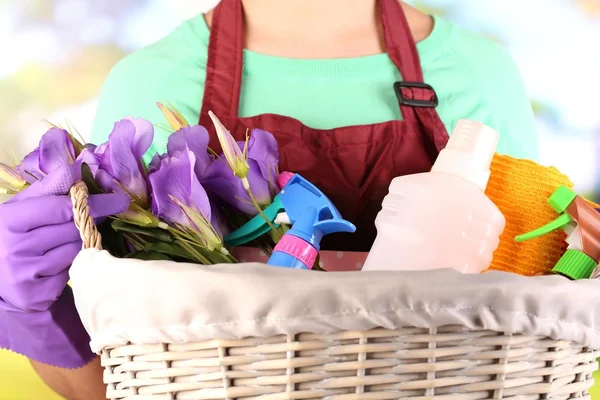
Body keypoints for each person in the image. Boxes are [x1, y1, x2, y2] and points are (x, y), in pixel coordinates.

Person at [0, 0, 539, 398]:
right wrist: (38, 313)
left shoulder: (480, 76)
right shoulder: (152, 81)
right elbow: (113, 385)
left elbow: (535, 328)